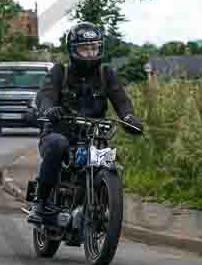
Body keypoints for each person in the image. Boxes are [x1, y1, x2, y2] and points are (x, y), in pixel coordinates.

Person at [28, 21, 143, 226]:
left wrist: (128, 118)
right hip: (59, 132)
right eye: (84, 49)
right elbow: (46, 95)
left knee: (111, 158)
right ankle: (42, 203)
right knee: (57, 145)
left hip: (93, 136)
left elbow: (121, 100)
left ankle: (102, 203)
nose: (90, 54)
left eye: (94, 48)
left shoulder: (105, 74)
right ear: (73, 50)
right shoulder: (59, 72)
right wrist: (49, 110)